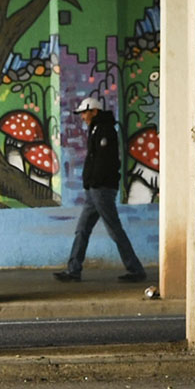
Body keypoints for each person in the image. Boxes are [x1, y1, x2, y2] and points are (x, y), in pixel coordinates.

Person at [53, 96, 147, 283]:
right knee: (83, 229)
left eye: (84, 113)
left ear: (94, 111)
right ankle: (73, 271)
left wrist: (94, 181)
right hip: (94, 190)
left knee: (114, 229)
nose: (82, 117)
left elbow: (104, 162)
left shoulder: (105, 130)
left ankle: (136, 270)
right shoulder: (97, 129)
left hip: (101, 189)